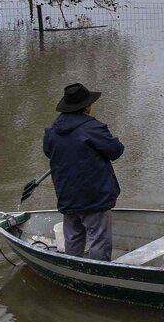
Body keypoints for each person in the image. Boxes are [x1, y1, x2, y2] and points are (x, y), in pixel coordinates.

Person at [42, 83, 124, 261]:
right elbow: (116, 150)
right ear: (86, 106)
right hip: (94, 197)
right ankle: (99, 276)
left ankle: (75, 271)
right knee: (99, 240)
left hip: (67, 196)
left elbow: (49, 152)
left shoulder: (52, 131)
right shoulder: (93, 128)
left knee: (73, 237)